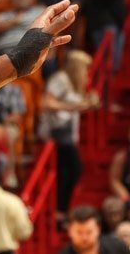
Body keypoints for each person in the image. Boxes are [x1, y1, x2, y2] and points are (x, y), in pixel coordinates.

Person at [40, 50, 100, 221]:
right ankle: (60, 211)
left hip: (68, 134)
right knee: (73, 170)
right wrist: (76, 106)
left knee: (68, 172)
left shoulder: (72, 84)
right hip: (57, 133)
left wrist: (88, 102)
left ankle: (61, 212)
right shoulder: (60, 79)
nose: (86, 73)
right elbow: (47, 102)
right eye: (85, 69)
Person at [59, 205, 130, 254]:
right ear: (69, 232)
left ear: (98, 229)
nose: (84, 237)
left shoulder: (117, 248)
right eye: (79, 232)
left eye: (89, 232)